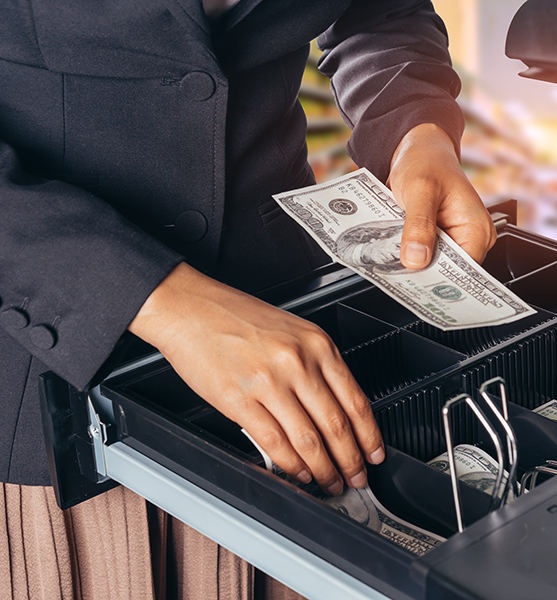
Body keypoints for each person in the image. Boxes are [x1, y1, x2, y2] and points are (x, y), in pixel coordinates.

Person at [0, 0, 496, 597]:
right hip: (54, 367)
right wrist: (164, 302)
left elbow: (381, 11)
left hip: (296, 333)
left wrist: (417, 128)